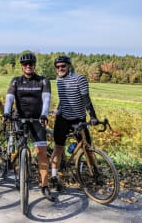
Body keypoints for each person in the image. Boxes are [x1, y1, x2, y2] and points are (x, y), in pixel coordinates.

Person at [3, 53, 54, 201]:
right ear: (22, 66)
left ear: (34, 65)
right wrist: (6, 112)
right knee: (20, 148)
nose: (28, 66)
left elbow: (46, 99)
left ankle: (44, 185)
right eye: (25, 64)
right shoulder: (16, 81)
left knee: (42, 152)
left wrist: (44, 114)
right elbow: (9, 98)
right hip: (20, 119)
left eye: (31, 64)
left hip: (38, 119)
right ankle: (20, 175)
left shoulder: (43, 80)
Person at [50, 55, 99, 191]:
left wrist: (93, 116)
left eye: (63, 66)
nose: (60, 68)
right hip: (63, 118)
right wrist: (57, 109)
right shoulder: (58, 80)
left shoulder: (79, 78)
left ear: (69, 66)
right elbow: (63, 98)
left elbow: (86, 99)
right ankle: (54, 177)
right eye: (58, 67)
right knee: (58, 147)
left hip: (78, 119)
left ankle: (95, 173)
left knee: (88, 147)